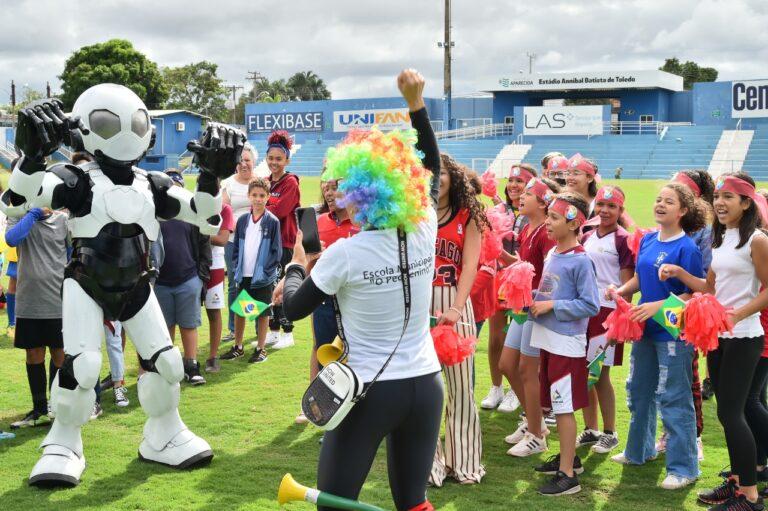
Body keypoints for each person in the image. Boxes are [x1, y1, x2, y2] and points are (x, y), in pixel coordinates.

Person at [1, 88, 238, 485]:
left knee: (168, 362)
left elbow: (203, 215)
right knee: (83, 366)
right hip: (85, 282)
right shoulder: (75, 179)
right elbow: (18, 200)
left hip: (137, 284)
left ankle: (165, 433)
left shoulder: (153, 183)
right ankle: (63, 442)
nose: (124, 131)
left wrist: (212, 176)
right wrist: (31, 158)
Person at [277, 69, 442, 511]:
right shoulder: (424, 226)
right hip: (426, 384)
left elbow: (292, 310)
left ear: (361, 194)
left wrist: (295, 268)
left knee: (332, 503)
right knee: (414, 503)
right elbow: (433, 167)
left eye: (345, 187)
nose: (338, 195)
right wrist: (416, 104)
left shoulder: (346, 253)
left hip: (369, 390)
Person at [659, 173, 768, 510]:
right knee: (725, 412)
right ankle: (738, 480)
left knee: (734, 413)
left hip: (744, 335)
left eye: (729, 197)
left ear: (746, 203)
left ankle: (749, 494)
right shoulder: (721, 239)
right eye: (718, 196)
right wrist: (679, 273)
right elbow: (709, 288)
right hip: (718, 335)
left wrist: (737, 315)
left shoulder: (757, 240)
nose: (720, 202)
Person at [609, 182, 706, 490]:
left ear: (684, 211)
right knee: (638, 391)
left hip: (673, 334)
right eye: (659, 200)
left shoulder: (687, 247)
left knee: (674, 398)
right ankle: (639, 451)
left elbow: (697, 293)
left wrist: (659, 305)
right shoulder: (649, 239)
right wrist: (621, 290)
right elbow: (640, 276)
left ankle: (684, 467)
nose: (661, 205)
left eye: (669, 201)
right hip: (645, 330)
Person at [529, 192, 599, 496]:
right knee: (555, 406)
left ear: (574, 223)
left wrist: (551, 306)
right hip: (547, 339)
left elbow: (590, 304)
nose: (547, 222)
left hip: (566, 344)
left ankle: (568, 475)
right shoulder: (554, 253)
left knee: (563, 408)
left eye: (554, 218)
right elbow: (548, 291)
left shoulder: (582, 261)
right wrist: (530, 301)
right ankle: (570, 458)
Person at [429, 153, 487, 486]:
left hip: (454, 303)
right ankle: (431, 464)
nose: (437, 179)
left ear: (454, 177)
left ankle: (463, 463)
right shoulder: (414, 213)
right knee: (424, 388)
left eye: (443, 173)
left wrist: (455, 308)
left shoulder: (469, 215)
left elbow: (469, 267)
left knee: (461, 386)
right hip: (420, 306)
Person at [500, 177, 560, 457]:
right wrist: (500, 255)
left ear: (543, 202)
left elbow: (551, 273)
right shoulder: (527, 228)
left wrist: (539, 298)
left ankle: (537, 434)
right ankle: (533, 422)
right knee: (506, 364)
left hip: (535, 308)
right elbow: (525, 266)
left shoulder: (546, 232)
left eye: (528, 194)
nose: (521, 197)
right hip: (523, 306)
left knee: (526, 369)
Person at [295, 178, 359, 424]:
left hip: (353, 300)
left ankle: (351, 406)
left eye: (335, 187)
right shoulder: (320, 222)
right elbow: (310, 268)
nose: (329, 193)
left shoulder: (361, 223)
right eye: (326, 188)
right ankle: (313, 404)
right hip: (323, 299)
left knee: (353, 352)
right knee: (319, 347)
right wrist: (312, 258)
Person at [664, 169, 715, 461]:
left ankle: (693, 436)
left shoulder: (704, 233)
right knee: (665, 377)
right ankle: (667, 433)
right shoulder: (665, 228)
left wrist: (670, 311)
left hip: (687, 312)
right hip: (662, 310)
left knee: (687, 376)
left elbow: (704, 283)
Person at [578, 186, 634, 454]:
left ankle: (610, 431)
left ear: (621, 211)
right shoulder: (587, 235)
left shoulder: (623, 240)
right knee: (582, 370)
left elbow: (628, 285)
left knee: (600, 374)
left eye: (612, 206)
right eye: (601, 204)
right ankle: (590, 429)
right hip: (584, 310)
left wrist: (620, 320)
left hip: (607, 312)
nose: (604, 210)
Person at [7, 207, 69, 429]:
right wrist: (32, 215)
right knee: (33, 354)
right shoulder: (19, 217)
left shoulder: (63, 220)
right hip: (29, 301)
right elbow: (11, 239)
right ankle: (39, 409)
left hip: (59, 301)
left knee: (60, 355)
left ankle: (57, 406)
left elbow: (71, 253)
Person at [482, 164, 535, 413]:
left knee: (518, 340)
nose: (514, 185)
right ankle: (496, 387)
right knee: (495, 339)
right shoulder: (498, 209)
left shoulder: (533, 213)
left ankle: (515, 390)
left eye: (520, 181)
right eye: (511, 180)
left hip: (522, 283)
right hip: (498, 279)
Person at [154, 169, 212, 386]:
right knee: (165, 327)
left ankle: (191, 365)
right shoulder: (154, 215)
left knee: (189, 325)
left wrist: (201, 277)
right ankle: (168, 367)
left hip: (188, 278)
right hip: (161, 280)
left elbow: (204, 246)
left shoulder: (192, 215)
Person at [222, 178, 282, 363]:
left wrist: (265, 272)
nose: (257, 199)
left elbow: (276, 251)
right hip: (244, 274)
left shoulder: (272, 222)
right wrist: (236, 267)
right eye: (254, 195)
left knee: (262, 313)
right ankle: (238, 347)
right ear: (249, 196)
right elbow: (236, 247)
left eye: (262, 195)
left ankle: (260, 348)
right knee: (241, 310)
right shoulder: (242, 220)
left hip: (261, 277)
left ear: (268, 197)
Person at [266, 130, 301, 349]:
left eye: (279, 159)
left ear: (287, 159)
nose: (274, 162)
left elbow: (278, 211)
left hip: (285, 243)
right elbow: (258, 206)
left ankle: (288, 332)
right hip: (267, 243)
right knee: (269, 286)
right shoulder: (266, 182)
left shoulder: (291, 183)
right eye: (270, 158)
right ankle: (272, 329)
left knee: (283, 287)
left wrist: (263, 203)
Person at [222, 142, 257, 342]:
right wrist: (233, 225)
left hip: (255, 241)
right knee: (235, 285)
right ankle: (234, 328)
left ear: (254, 163)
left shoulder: (259, 182)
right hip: (233, 241)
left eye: (248, 161)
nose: (244, 164)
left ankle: (251, 324)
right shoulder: (229, 183)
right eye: (241, 160)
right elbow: (223, 209)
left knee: (251, 283)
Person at [204, 201, 235, 372]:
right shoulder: (193, 203)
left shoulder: (224, 208)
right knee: (188, 314)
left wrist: (199, 234)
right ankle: (189, 359)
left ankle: (213, 357)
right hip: (192, 263)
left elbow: (223, 240)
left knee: (213, 310)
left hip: (215, 265)